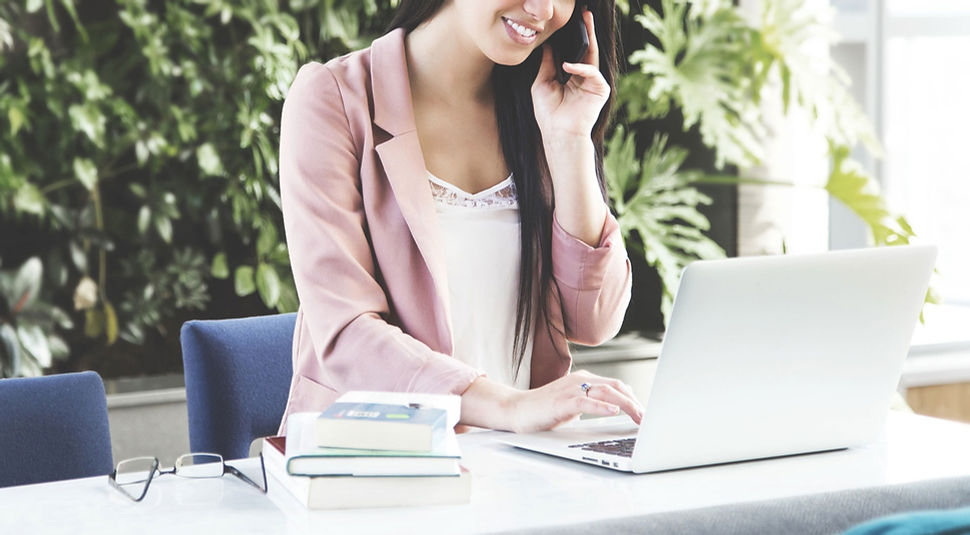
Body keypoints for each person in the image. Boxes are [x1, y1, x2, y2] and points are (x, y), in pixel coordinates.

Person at [277, 0, 643, 434]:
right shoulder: (335, 98)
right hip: (378, 465)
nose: (543, 9)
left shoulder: (542, 104)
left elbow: (594, 319)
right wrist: (510, 408)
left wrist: (570, 143)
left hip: (522, 471)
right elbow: (347, 334)